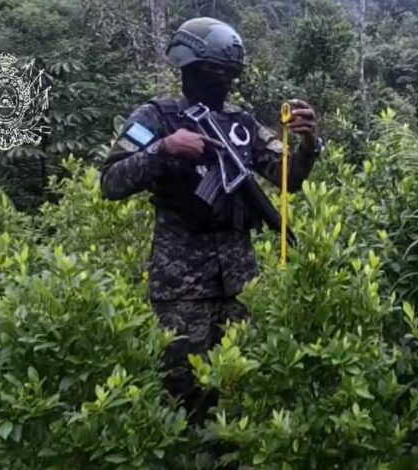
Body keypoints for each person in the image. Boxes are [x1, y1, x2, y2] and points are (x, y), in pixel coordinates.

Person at [99, 17, 324, 424]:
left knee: (240, 391)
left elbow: (287, 178)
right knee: (183, 395)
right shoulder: (156, 118)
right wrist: (164, 149)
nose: (221, 81)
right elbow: (111, 182)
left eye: (228, 74)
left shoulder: (243, 125)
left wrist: (307, 141)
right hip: (181, 285)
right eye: (213, 71)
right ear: (189, 67)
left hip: (240, 282)